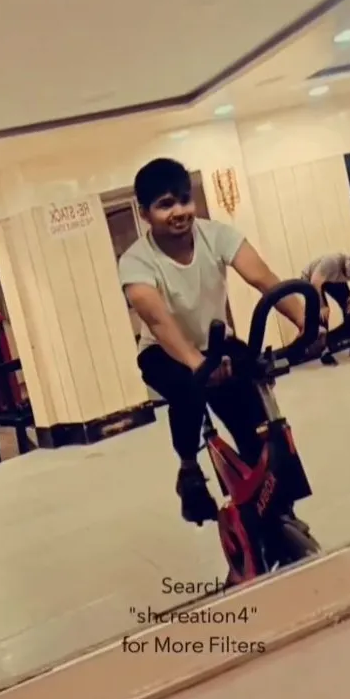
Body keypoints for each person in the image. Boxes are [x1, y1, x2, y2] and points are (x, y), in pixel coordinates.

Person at [119, 158, 306, 525]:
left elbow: (264, 278)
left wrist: (303, 319)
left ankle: (276, 505)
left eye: (185, 200)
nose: (179, 212)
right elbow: (158, 320)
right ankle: (189, 470)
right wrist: (195, 362)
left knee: (255, 420)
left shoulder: (216, 234)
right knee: (188, 389)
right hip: (163, 351)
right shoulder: (136, 261)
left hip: (216, 342)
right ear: (145, 213)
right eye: (165, 204)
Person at [301, 253, 350, 366]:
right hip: (312, 279)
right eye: (348, 272)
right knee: (323, 313)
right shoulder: (331, 262)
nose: (349, 275)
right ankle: (324, 352)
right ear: (348, 263)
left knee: (348, 305)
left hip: (334, 279)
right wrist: (322, 306)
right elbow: (315, 283)